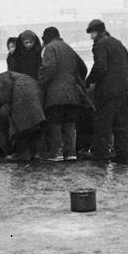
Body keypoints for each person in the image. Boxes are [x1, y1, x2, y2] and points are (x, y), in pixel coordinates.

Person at [81, 19, 128, 164]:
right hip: (124, 91)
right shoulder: (116, 42)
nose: (91, 37)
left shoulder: (100, 44)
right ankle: (124, 155)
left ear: (96, 32)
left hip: (108, 91)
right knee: (122, 124)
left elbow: (100, 67)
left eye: (92, 34)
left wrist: (89, 81)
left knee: (102, 122)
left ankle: (100, 153)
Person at [38, 26, 90, 161]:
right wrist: (74, 79)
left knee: (55, 122)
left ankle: (57, 153)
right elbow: (83, 68)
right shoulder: (68, 47)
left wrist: (41, 82)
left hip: (56, 92)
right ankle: (71, 153)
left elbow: (49, 68)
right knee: (70, 122)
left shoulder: (50, 48)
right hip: (72, 92)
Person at [0, 70, 46, 162]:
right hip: (35, 96)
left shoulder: (1, 79)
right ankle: (33, 153)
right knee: (33, 126)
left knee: (21, 126)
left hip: (22, 96)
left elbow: (6, 98)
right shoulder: (21, 78)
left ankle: (23, 154)